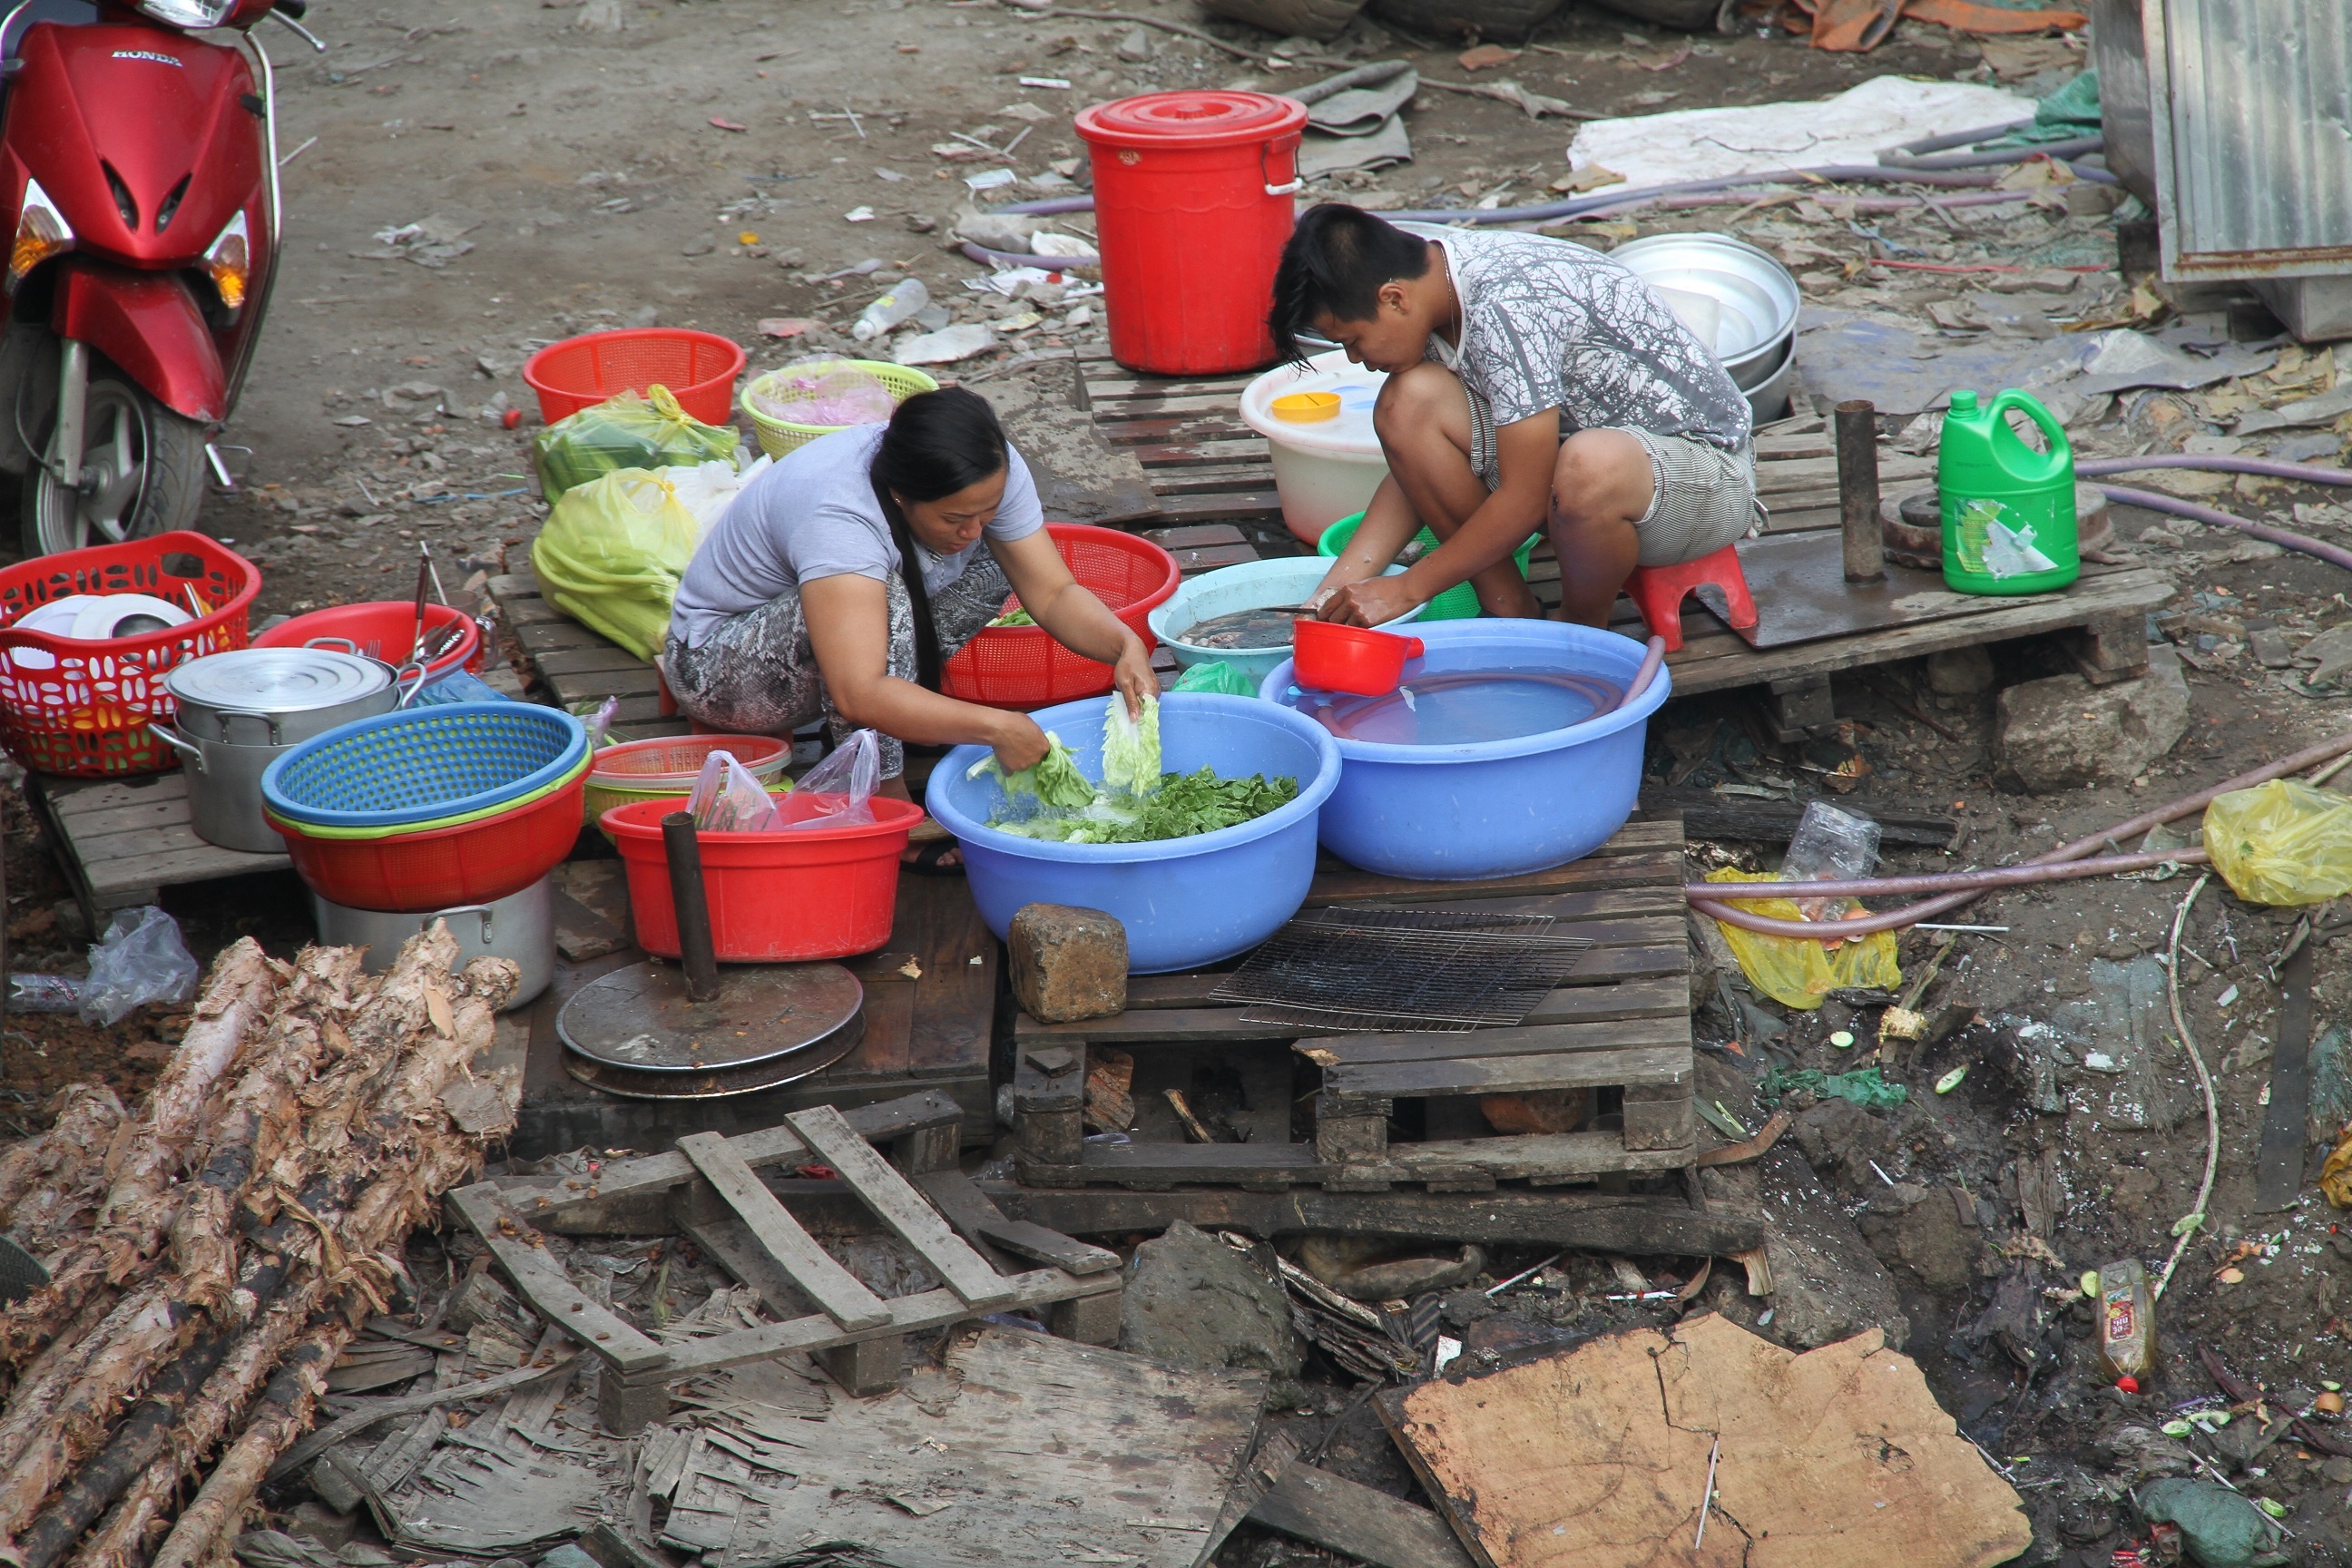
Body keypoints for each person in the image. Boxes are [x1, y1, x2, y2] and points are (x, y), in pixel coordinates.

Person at [665, 387, 1155, 870]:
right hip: (721, 669)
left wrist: (1123, 645)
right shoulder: (840, 514)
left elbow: (1051, 593)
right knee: (887, 596)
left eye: (986, 511)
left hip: (843, 650)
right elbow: (858, 692)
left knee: (994, 559)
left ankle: (907, 717)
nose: (972, 530)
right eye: (956, 519)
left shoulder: (986, 468)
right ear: (902, 496)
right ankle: (885, 801)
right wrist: (1000, 726)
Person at [1267, 204, 1760, 631]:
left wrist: (1407, 589)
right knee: (1407, 403)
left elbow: (1525, 499)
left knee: (1591, 463)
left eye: (1352, 340)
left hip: (1706, 479)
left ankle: (1579, 630)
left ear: (1394, 298)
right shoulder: (1437, 285)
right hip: (1577, 471)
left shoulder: (1506, 304)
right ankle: (1512, 611)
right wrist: (1325, 600)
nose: (1356, 359)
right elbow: (1413, 478)